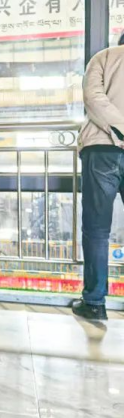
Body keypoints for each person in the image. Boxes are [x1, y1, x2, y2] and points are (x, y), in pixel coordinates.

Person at [72, 44, 124, 321]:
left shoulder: (104, 57)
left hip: (101, 149)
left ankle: (94, 302)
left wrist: (120, 130)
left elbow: (92, 98)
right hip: (106, 146)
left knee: (97, 230)